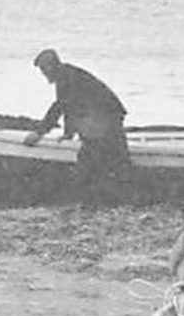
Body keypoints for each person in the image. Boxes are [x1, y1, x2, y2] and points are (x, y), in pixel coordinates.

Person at [23, 49, 130, 205]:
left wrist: (39, 133)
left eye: (44, 70)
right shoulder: (66, 74)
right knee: (110, 154)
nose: (44, 74)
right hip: (103, 114)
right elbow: (69, 106)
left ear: (52, 66)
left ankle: (92, 197)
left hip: (105, 113)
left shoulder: (66, 76)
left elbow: (60, 106)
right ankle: (108, 195)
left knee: (96, 153)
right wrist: (68, 132)